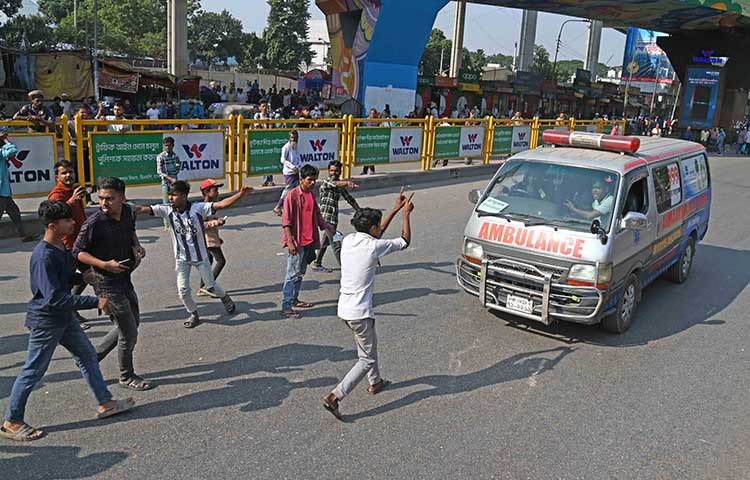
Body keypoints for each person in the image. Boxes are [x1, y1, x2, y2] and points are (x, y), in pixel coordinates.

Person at [1, 201, 135, 442]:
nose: (73, 223)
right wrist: (95, 302)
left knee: (87, 356)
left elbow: (60, 279)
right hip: (47, 321)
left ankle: (106, 403)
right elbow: (52, 298)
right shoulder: (43, 256)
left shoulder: (58, 248)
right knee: (33, 370)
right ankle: (12, 421)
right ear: (53, 226)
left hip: (63, 319)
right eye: (68, 221)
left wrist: (80, 276)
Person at [322, 189, 415, 419]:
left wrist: (394, 208)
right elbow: (404, 240)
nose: (378, 230)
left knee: (368, 346)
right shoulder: (373, 246)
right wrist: (406, 214)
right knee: (366, 358)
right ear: (371, 229)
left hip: (344, 309)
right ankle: (335, 396)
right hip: (359, 313)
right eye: (376, 227)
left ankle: (375, 382)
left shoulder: (350, 240)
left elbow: (378, 231)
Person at [134, 181, 253, 328]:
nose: (170, 198)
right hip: (181, 259)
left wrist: (241, 194)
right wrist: (124, 206)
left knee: (210, 287)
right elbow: (143, 209)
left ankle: (225, 298)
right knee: (183, 290)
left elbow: (221, 205)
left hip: (201, 258)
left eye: (174, 195)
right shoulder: (166, 210)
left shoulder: (197, 208)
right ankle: (194, 314)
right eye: (169, 195)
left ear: (183, 196)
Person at [73, 177, 152, 391]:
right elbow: (77, 252)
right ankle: (126, 375)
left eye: (109, 199)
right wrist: (103, 265)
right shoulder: (94, 223)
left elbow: (131, 231)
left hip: (125, 277)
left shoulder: (127, 211)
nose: (104, 203)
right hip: (105, 283)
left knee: (132, 324)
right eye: (100, 199)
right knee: (128, 331)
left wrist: (137, 246)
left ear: (122, 198)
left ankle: (91, 358)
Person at [281, 164, 335, 319]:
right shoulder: (292, 196)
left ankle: (294, 299)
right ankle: (286, 305)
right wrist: (290, 242)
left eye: (314, 180)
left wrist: (326, 227)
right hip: (296, 241)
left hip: (308, 240)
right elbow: (286, 222)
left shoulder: (310, 195)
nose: (312, 183)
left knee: (300, 273)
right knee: (292, 274)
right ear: (301, 179)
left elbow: (317, 214)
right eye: (309, 180)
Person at [48, 160, 91, 329]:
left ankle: (72, 305)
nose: (68, 175)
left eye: (70, 172)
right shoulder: (57, 195)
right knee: (66, 280)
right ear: (57, 177)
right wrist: (71, 201)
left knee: (88, 274)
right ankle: (67, 313)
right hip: (67, 244)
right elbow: (53, 217)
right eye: (64, 173)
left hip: (81, 241)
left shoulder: (75, 191)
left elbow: (80, 216)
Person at [313, 161, 360, 272]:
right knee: (336, 244)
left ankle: (317, 263)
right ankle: (347, 270)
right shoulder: (326, 182)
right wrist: (348, 183)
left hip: (333, 219)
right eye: (332, 170)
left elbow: (349, 199)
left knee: (325, 242)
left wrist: (359, 210)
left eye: (336, 171)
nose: (334, 173)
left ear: (340, 172)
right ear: (328, 171)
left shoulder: (340, 184)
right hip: (326, 219)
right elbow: (335, 184)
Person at [0, 127, 38, 242]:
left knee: (15, 212)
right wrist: (5, 140)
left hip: (4, 191)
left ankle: (22, 235)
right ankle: (22, 235)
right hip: (1, 192)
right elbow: (12, 150)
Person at [197, 179, 229, 296]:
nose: (217, 193)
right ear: (206, 192)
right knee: (221, 261)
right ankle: (209, 286)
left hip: (211, 238)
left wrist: (218, 237)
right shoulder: (204, 207)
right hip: (208, 240)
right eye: (215, 190)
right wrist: (217, 222)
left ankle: (202, 287)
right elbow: (202, 225)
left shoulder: (210, 206)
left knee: (208, 262)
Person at [273, 130, 301, 217]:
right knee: (288, 189)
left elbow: (298, 158)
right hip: (289, 172)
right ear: (289, 138)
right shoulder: (286, 147)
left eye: (295, 138)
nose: (294, 139)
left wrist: (298, 166)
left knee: (296, 190)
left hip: (296, 171)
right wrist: (292, 167)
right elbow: (283, 160)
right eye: (292, 137)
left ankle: (293, 208)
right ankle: (278, 206)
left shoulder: (295, 146)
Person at [156, 136, 181, 227]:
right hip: (166, 183)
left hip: (175, 182)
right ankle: (167, 224)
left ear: (173, 145)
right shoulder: (161, 157)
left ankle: (176, 221)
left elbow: (178, 167)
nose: (167, 147)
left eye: (169, 145)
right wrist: (170, 178)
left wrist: (174, 177)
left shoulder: (175, 156)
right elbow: (160, 172)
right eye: (166, 145)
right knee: (166, 203)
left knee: (176, 202)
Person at [254, 102, 275, 187]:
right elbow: (257, 126)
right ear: (259, 107)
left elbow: (273, 126)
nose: (265, 108)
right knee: (264, 161)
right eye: (263, 106)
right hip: (261, 140)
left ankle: (270, 180)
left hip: (270, 140)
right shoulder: (257, 116)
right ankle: (265, 180)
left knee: (270, 160)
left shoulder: (271, 115)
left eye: (266, 106)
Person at [361, 108, 379, 175]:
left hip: (373, 139)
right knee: (366, 155)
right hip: (367, 138)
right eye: (371, 113)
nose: (372, 115)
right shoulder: (367, 120)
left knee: (371, 155)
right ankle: (365, 170)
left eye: (373, 113)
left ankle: (372, 170)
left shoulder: (377, 121)